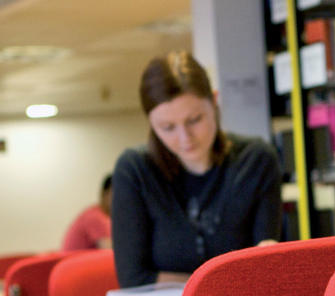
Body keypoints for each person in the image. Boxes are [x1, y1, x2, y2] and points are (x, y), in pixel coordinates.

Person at [111, 51, 283, 287]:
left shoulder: (256, 160)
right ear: (151, 123)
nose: (185, 138)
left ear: (214, 101)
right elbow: (133, 279)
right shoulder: (135, 171)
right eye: (167, 127)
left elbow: (264, 265)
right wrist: (218, 285)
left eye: (194, 120)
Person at [61, 176, 114, 251]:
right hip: (76, 261)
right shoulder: (96, 217)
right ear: (104, 194)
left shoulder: (97, 213)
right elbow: (110, 250)